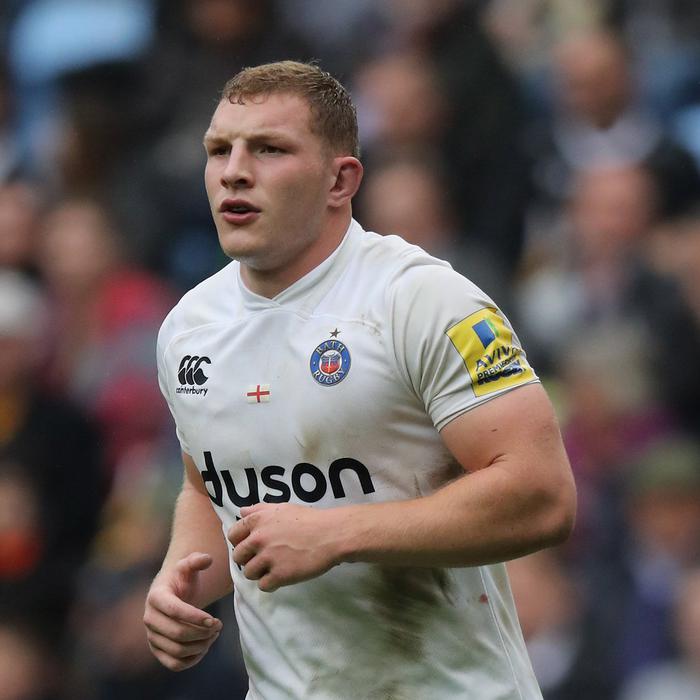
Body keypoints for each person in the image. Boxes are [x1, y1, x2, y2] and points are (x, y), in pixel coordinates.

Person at [143, 60, 576, 699]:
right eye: (219, 150)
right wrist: (180, 579)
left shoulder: (423, 300)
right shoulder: (188, 328)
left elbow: (543, 496)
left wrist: (337, 534)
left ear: (340, 180)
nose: (234, 171)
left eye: (269, 149)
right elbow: (208, 487)